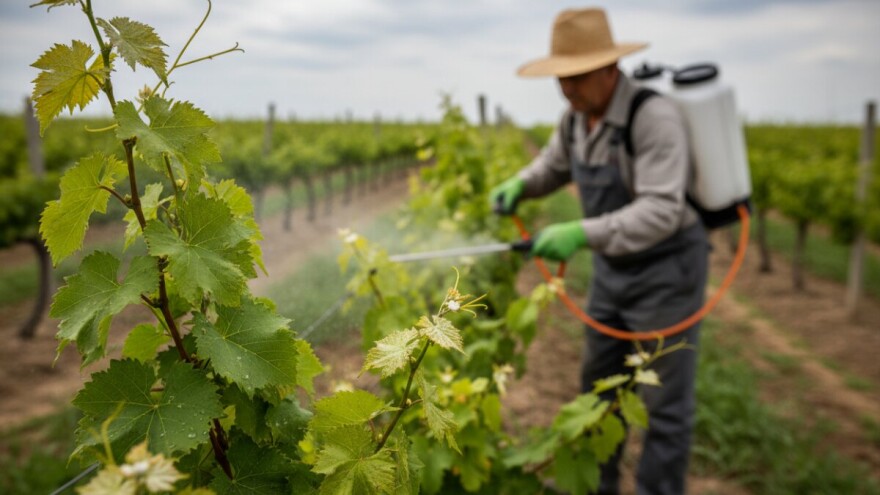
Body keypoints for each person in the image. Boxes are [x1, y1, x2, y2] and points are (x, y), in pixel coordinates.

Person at [491, 7, 709, 495]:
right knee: (598, 390)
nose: (568, 89)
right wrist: (520, 186)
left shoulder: (652, 118)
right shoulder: (575, 120)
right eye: (562, 80)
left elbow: (661, 211)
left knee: (664, 405)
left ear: (611, 68)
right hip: (614, 272)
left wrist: (581, 233)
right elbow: (550, 167)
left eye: (578, 78)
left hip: (668, 271)